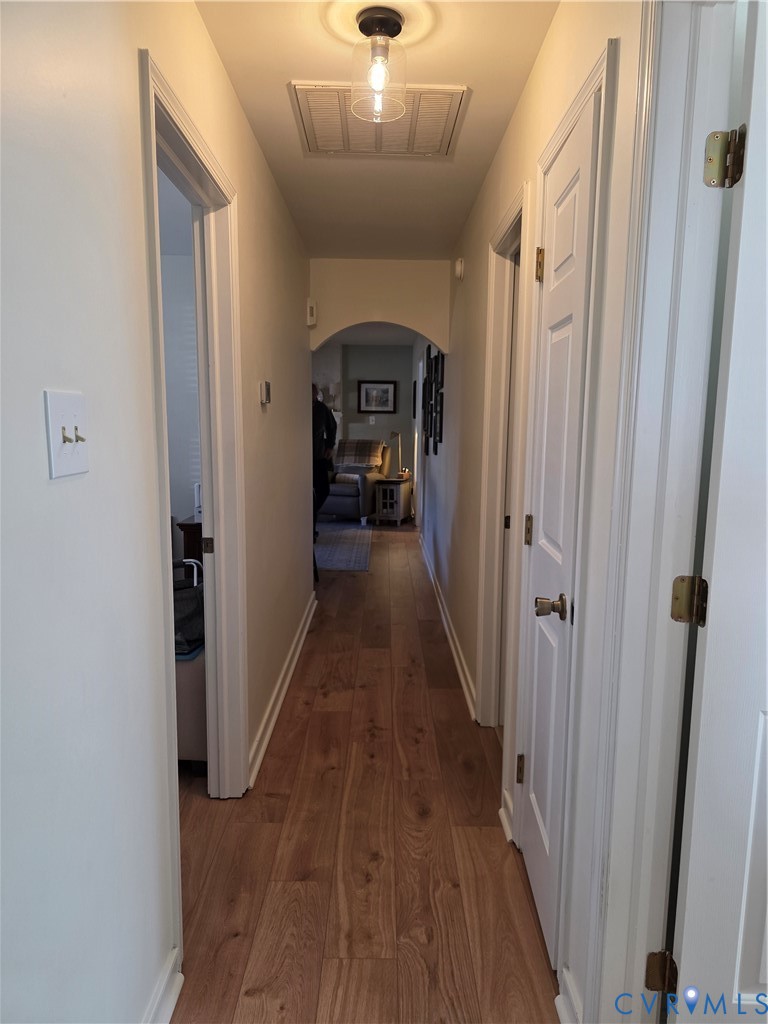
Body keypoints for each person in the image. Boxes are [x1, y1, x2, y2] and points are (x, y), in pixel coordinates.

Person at [312, 383, 336, 514]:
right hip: (300, 459)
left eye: (313, 392)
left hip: (319, 457)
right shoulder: (297, 407)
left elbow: (332, 427)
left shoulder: (321, 409)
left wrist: (330, 446)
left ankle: (312, 513)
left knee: (324, 490)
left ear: (315, 394)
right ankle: (310, 527)